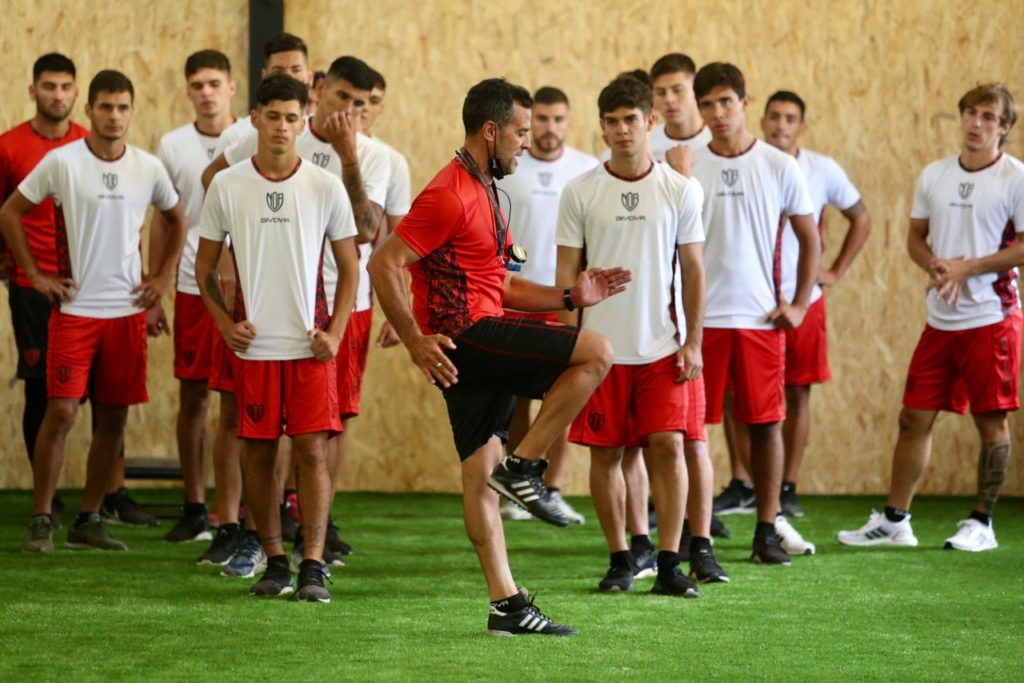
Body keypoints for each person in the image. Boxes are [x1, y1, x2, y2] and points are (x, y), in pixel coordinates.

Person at [369, 78, 631, 636]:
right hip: (467, 336)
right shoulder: (448, 193)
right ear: (490, 131)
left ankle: (506, 606)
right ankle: (526, 466)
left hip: (472, 337)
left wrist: (570, 296)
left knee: (478, 476)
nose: (527, 143)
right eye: (520, 132)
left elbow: (502, 285)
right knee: (596, 353)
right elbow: (383, 263)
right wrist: (413, 339)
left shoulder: (486, 189)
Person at [213, 55, 391, 568]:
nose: (349, 109)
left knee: (321, 437)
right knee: (254, 438)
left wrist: (348, 155)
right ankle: (253, 539)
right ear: (321, 90)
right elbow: (214, 210)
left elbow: (367, 237)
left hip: (327, 318)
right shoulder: (242, 163)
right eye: (342, 97)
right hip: (259, 320)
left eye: (362, 102)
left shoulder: (367, 160)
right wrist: (231, 300)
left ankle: (313, 548)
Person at [4, 70, 186, 554]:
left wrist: (161, 280)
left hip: (126, 313)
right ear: (89, 111)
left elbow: (177, 219)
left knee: (113, 419)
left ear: (132, 112)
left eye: (123, 107)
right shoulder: (62, 162)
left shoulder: (147, 167)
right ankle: (41, 518)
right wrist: (35, 275)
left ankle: (88, 519)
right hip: (75, 310)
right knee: (61, 411)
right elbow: (9, 212)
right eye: (105, 106)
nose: (114, 116)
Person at [838, 83, 1024, 553]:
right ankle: (895, 521)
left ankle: (982, 523)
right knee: (913, 417)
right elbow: (915, 239)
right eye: (970, 113)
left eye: (988, 116)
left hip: (993, 317)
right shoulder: (935, 174)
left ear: (1004, 127)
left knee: (990, 422)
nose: (976, 123)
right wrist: (936, 267)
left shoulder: (1016, 178)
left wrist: (968, 268)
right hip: (941, 319)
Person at [195, 74, 359, 602]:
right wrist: (226, 325)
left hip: (310, 346)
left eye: (292, 118)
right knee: (259, 455)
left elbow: (350, 267)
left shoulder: (325, 185)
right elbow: (203, 269)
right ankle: (274, 561)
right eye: (273, 116)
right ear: (255, 119)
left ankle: (312, 564)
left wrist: (335, 332)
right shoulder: (227, 185)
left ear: (302, 121)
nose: (282, 127)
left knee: (311, 453)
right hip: (256, 348)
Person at [558, 75, 724, 596]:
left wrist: (693, 341)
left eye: (631, 119)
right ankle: (620, 559)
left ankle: (671, 565)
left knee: (669, 447)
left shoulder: (680, 189)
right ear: (602, 126)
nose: (621, 130)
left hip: (663, 349)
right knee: (605, 455)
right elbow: (566, 278)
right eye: (611, 122)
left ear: (650, 121)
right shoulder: (580, 191)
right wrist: (567, 347)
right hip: (600, 353)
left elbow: (694, 270)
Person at [689, 62, 819, 565]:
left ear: (745, 104)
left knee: (766, 425)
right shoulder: (688, 166)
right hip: (701, 323)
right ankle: (693, 534)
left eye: (726, 102)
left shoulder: (779, 165)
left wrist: (800, 303)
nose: (717, 113)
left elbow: (809, 237)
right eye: (707, 104)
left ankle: (767, 529)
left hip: (760, 320)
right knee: (690, 431)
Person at [758, 90, 872, 516]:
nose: (781, 125)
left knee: (797, 393)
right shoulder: (750, 164)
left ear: (802, 127)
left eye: (790, 118)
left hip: (804, 300)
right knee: (737, 397)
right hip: (753, 302)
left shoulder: (821, 169)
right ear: (762, 121)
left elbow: (861, 217)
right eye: (774, 116)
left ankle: (788, 485)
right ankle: (745, 484)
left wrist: (836, 270)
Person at [495, 85, 598, 524]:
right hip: (516, 296)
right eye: (541, 118)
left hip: (567, 299)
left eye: (557, 119)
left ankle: (550, 488)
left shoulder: (587, 169)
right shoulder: (508, 167)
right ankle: (517, 491)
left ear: (568, 122)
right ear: (529, 121)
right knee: (516, 397)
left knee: (563, 394)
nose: (549, 127)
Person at [152, 49, 240, 548]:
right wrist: (155, 287)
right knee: (195, 397)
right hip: (191, 287)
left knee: (241, 401)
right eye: (198, 85)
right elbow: (165, 220)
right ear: (188, 90)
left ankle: (240, 512)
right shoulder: (173, 145)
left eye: (214, 83)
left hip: (244, 292)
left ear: (231, 88)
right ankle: (194, 506)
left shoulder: (252, 136)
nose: (206, 93)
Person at [0, 53, 89, 529]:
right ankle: (45, 502)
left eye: (65, 86)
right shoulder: (9, 146)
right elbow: (3, 212)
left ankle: (107, 498)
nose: (57, 95)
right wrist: (27, 273)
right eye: (48, 86)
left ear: (76, 92)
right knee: (41, 391)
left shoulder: (91, 145)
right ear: (33, 90)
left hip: (89, 292)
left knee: (99, 396)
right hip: (33, 291)